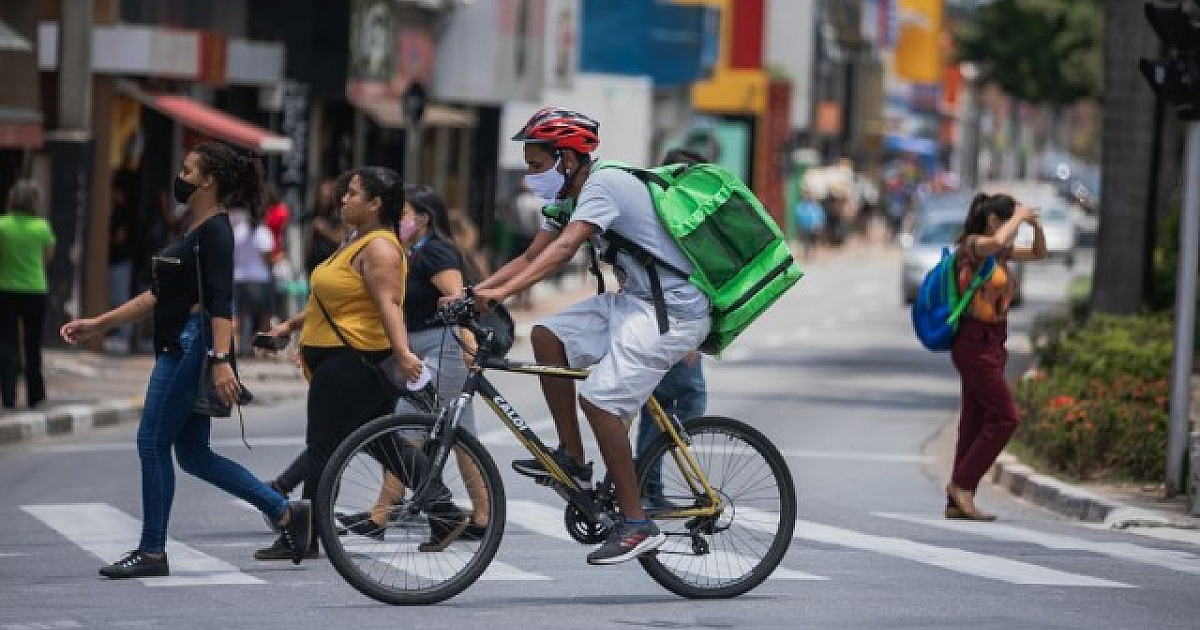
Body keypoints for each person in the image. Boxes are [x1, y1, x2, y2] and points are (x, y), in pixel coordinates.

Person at [467, 107, 711, 565]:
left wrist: (498, 297)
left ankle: (638, 524)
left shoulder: (604, 185)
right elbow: (530, 256)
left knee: (599, 401)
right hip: (636, 302)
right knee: (546, 335)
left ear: (567, 159)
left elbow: (561, 252)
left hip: (672, 309)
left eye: (538, 165)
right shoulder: (568, 197)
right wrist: (475, 293)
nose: (531, 175)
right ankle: (574, 460)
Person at [58, 141, 313, 578]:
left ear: (208, 181)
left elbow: (220, 304)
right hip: (184, 342)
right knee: (193, 455)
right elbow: (156, 297)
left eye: (188, 169)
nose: (181, 176)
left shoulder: (215, 231)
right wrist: (99, 323)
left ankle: (153, 550)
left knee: (152, 443)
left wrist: (219, 361)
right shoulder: (193, 230)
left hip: (190, 346)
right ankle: (286, 512)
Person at [253, 167, 468, 559]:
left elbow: (389, 304)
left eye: (352, 194)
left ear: (375, 204)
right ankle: (443, 510)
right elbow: (335, 298)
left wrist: (403, 354)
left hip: (352, 360)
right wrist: (290, 326)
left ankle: (304, 533)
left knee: (321, 449)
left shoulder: (381, 248)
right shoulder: (356, 242)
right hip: (341, 357)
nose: (343, 200)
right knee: (382, 443)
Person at [945, 192, 1046, 521]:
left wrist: (1034, 225)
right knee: (1006, 418)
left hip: (994, 342)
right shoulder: (973, 246)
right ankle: (961, 485)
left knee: (973, 421)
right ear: (993, 221)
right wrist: (1018, 218)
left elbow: (1038, 253)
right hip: (973, 342)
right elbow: (996, 241)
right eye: (1009, 222)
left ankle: (958, 501)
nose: (1013, 230)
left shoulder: (1000, 252)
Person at [0, 180, 55, 410]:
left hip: (6, 289)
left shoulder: (2, 225)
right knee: (33, 345)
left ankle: (9, 396)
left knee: (7, 344)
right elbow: (47, 256)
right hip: (35, 289)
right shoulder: (42, 227)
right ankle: (35, 396)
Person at [230, 207, 275, 355]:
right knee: (264, 316)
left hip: (239, 278)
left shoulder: (238, 231)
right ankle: (263, 351)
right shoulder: (264, 232)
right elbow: (268, 258)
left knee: (237, 315)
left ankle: (234, 348)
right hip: (259, 279)